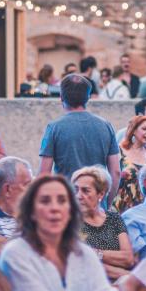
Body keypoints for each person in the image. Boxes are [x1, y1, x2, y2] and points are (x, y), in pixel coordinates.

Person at [0, 175, 124, 291]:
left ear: (70, 211)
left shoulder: (83, 253)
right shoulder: (16, 253)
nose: (55, 208)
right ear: (31, 212)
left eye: (62, 201)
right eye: (45, 201)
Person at [39, 74, 120, 206]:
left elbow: (44, 174)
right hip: (97, 207)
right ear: (88, 98)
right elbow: (115, 172)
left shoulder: (54, 128)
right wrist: (106, 203)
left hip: (67, 206)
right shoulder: (106, 126)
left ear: (61, 97)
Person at [72, 166, 134, 280]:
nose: (78, 196)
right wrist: (126, 275)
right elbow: (83, 263)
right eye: (76, 190)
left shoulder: (113, 218)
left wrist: (95, 253)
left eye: (85, 190)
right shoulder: (71, 224)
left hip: (123, 284)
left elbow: (128, 258)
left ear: (101, 194)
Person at [114, 116, 146, 212]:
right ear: (134, 131)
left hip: (141, 209)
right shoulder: (120, 150)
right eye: (144, 129)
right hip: (119, 207)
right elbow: (110, 176)